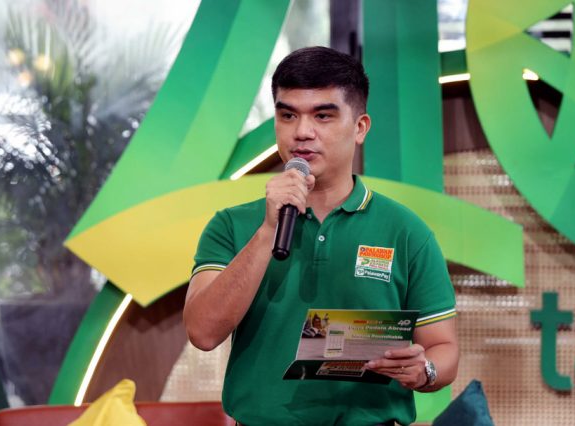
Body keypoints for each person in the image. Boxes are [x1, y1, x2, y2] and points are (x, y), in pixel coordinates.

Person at [183, 46, 458, 425]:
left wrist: (424, 370)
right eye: (288, 115)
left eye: (323, 116)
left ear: (360, 127)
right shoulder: (232, 225)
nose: (302, 132)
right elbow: (202, 333)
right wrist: (268, 230)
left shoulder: (406, 231)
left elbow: (444, 348)